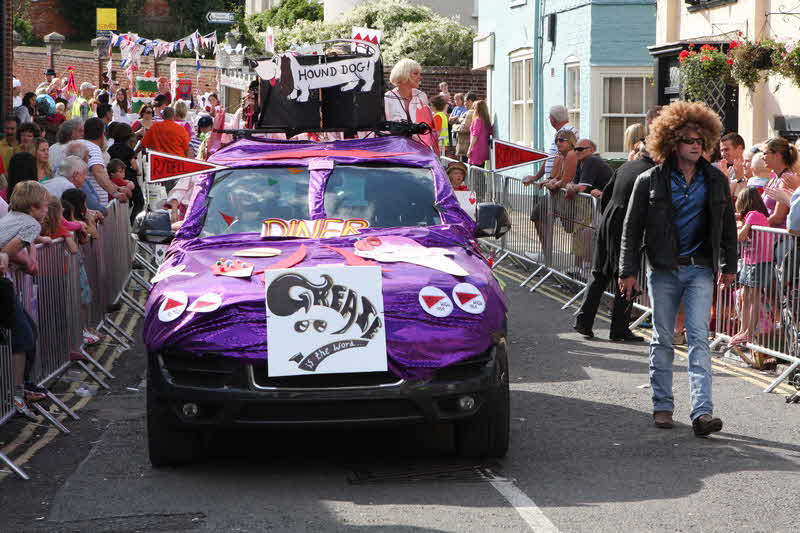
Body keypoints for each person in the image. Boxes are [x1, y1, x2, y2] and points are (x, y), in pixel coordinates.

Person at [618, 100, 738, 437]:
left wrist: (730, 264)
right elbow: (631, 227)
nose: (696, 145)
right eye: (688, 140)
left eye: (700, 140)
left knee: (700, 338)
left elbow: (727, 225)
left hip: (700, 268)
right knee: (664, 339)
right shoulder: (650, 180)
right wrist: (627, 271)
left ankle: (702, 413)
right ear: (672, 142)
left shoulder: (715, 180)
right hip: (664, 270)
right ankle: (663, 405)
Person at [575, 143, 655, 340]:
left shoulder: (627, 166)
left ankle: (583, 321)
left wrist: (606, 219)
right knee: (626, 272)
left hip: (609, 219)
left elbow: (606, 194)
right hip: (627, 224)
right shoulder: (652, 173)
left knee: (599, 271)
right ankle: (619, 328)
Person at [0, 181, 49, 420]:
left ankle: (23, 386)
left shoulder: (13, 216)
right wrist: (33, 251)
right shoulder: (30, 223)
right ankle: (18, 393)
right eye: (46, 206)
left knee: (28, 329)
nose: (47, 211)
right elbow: (9, 251)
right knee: (25, 334)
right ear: (33, 207)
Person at [524, 129, 579, 263]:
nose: (557, 143)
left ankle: (581, 267)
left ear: (570, 141)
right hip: (558, 197)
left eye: (561, 140)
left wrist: (554, 184)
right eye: (556, 140)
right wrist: (548, 181)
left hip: (569, 198)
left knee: (577, 229)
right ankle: (546, 254)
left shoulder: (571, 154)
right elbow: (557, 177)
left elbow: (565, 180)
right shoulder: (561, 156)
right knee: (537, 215)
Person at [730, 188, 773, 347]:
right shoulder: (756, 215)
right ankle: (743, 329)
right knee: (746, 296)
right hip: (751, 260)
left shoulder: (754, 214)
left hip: (759, 261)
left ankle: (749, 332)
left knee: (753, 297)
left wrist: (737, 226)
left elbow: (741, 236)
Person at [523, 105, 578, 186]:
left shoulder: (566, 132)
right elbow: (552, 157)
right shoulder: (563, 132)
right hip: (554, 182)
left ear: (553, 120)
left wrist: (553, 180)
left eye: (549, 118)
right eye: (557, 141)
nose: (558, 142)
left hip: (559, 186)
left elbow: (560, 158)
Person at [81, 117, 126, 205]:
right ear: (102, 134)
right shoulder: (92, 147)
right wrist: (115, 193)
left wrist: (117, 188)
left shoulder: (81, 144)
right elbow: (98, 172)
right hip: (95, 205)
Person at [761, 137, 800, 228]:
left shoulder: (787, 179)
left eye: (765, 153)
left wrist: (754, 224)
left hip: (781, 239)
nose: (762, 157)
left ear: (777, 155)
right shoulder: (774, 178)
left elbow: (778, 217)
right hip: (769, 235)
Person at [453, 92, 476, 163]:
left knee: (465, 169)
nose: (464, 103)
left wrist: (454, 126)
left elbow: (464, 128)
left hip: (466, 145)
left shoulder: (470, 112)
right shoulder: (473, 111)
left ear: (470, 101)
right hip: (467, 145)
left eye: (465, 101)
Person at [467, 100, 491, 167]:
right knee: (480, 171)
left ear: (477, 109)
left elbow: (475, 136)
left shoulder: (478, 120)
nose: (473, 109)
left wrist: (469, 149)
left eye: (474, 108)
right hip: (483, 148)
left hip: (476, 149)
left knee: (474, 172)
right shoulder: (486, 120)